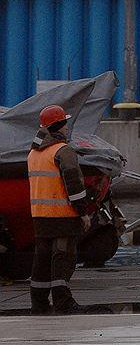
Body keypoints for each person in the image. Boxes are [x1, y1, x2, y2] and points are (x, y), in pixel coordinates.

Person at [27, 105, 92, 315]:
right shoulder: (63, 151)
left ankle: (38, 303)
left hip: (40, 216)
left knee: (42, 259)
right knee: (63, 257)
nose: (67, 127)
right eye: (65, 123)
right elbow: (74, 185)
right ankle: (63, 302)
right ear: (59, 125)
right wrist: (82, 212)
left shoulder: (33, 154)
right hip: (63, 216)